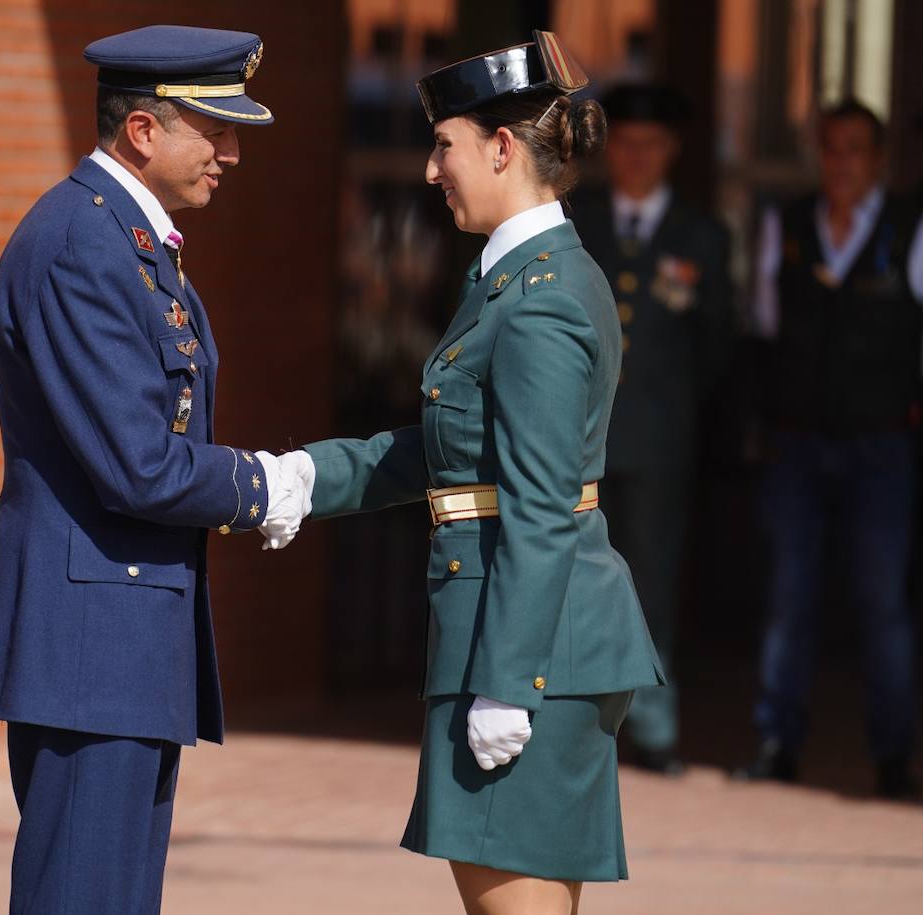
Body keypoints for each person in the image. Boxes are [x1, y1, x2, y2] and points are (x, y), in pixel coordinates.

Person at [270, 31, 663, 915]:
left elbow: (540, 502)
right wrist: (304, 476)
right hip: (529, 640)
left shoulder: (542, 298)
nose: (428, 170)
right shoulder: (515, 278)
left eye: (443, 145)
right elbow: (458, 452)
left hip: (529, 650)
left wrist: (507, 682)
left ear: (501, 147)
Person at [0, 26, 304, 914]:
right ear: (143, 132)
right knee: (83, 896)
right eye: (214, 131)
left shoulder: (123, 239)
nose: (230, 154)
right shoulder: (82, 245)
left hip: (119, 632)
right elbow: (137, 465)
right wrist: (263, 486)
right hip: (90, 642)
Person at [736, 99, 923, 798]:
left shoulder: (919, 231)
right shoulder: (787, 226)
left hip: (882, 444)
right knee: (788, 596)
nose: (842, 161)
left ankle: (892, 757)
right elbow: (766, 319)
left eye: (856, 148)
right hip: (798, 442)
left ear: (879, 158)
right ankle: (778, 743)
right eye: (830, 147)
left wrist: (888, 390)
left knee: (883, 602)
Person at [572, 84, 733, 776]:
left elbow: (718, 343)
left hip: (662, 438)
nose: (636, 157)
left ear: (673, 151)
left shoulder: (701, 236)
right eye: (625, 144)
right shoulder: (579, 222)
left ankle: (655, 730)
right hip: (582, 437)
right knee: (578, 577)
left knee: (653, 582)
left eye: (651, 145)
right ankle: (580, 723)